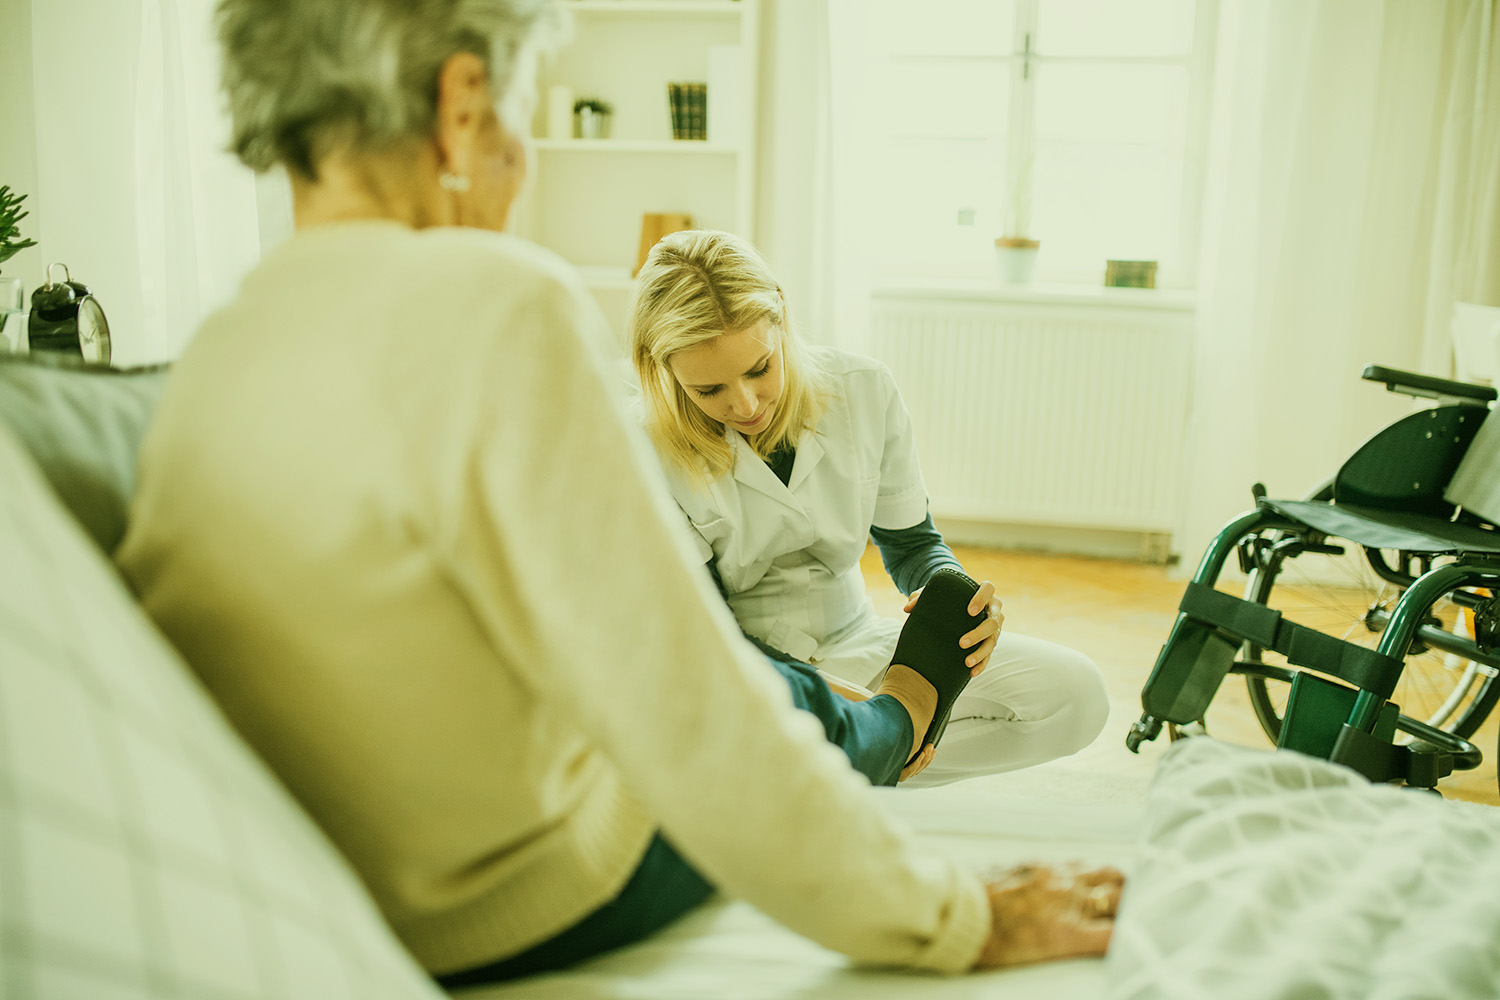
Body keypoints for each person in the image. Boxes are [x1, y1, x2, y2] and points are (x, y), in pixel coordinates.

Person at [115, 0, 1122, 985]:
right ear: (463, 105)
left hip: (340, 888)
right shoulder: (500, 300)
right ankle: (896, 727)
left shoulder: (213, 355)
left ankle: (886, 723)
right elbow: (690, 702)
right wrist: (957, 913)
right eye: (522, 116)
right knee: (771, 693)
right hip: (532, 896)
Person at [627, 229, 1111, 787]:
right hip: (742, 669)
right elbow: (706, 631)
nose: (745, 403)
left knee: (1077, 697)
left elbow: (912, 546)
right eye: (710, 390)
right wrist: (869, 713)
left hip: (859, 640)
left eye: (759, 369)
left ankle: (857, 772)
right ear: (664, 370)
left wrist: (953, 598)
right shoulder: (640, 446)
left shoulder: (863, 390)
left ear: (780, 319)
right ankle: (862, 762)